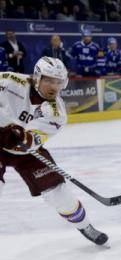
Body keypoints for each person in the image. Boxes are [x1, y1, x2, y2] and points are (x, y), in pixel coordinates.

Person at [0, 57, 107, 245]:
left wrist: (20, 136)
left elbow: (28, 144)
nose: (54, 86)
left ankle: (85, 225)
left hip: (25, 153)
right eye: (49, 80)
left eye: (58, 82)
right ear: (37, 78)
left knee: (58, 193)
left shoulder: (56, 113)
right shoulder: (9, 81)